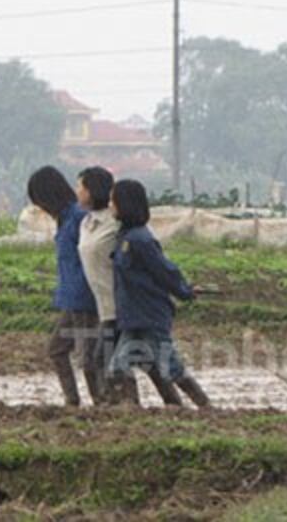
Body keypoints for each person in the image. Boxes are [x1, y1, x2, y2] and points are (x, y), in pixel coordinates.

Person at [108, 179, 210, 408]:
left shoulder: (140, 240)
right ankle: (135, 410)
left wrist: (184, 291)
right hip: (132, 316)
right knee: (118, 367)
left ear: (125, 204)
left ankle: (205, 407)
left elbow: (165, 271)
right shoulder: (124, 237)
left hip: (149, 315)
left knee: (170, 366)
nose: (110, 205)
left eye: (113, 200)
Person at [27, 166, 102, 406]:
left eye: (39, 200)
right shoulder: (64, 219)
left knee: (87, 358)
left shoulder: (79, 217)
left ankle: (103, 403)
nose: (39, 207)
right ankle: (73, 400)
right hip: (71, 299)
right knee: (57, 350)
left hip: (85, 298)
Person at [76, 166, 140, 404]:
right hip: (101, 305)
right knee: (108, 359)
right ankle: (116, 403)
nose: (77, 192)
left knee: (104, 359)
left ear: (92, 191)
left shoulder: (116, 226)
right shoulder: (85, 224)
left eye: (80, 187)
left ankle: (124, 404)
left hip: (119, 305)